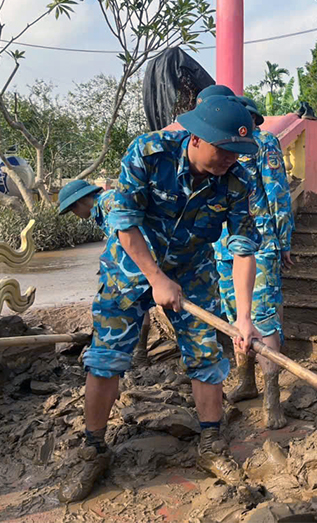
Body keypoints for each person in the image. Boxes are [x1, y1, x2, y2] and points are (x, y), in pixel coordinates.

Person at [58, 95, 263, 503]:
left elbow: (242, 249)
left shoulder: (238, 180)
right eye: (224, 150)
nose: (230, 160)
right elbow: (125, 222)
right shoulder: (149, 152)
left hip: (193, 270)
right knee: (106, 357)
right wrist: (155, 278)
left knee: (207, 355)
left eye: (237, 152)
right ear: (197, 138)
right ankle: (93, 448)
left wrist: (243, 317)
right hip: (130, 267)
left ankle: (211, 442)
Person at [213, 94, 294, 431]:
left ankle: (272, 395)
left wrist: (283, 240)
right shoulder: (218, 144)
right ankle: (246, 381)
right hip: (223, 246)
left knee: (263, 318)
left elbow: (277, 193)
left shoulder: (264, 143)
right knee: (234, 315)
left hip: (259, 241)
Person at [58, 180, 151, 368]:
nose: (76, 215)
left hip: (138, 266)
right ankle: (138, 352)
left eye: (72, 210)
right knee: (141, 306)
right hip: (132, 267)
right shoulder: (99, 213)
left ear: (80, 202)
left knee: (123, 306)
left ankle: (137, 353)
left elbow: (133, 230)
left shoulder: (109, 201)